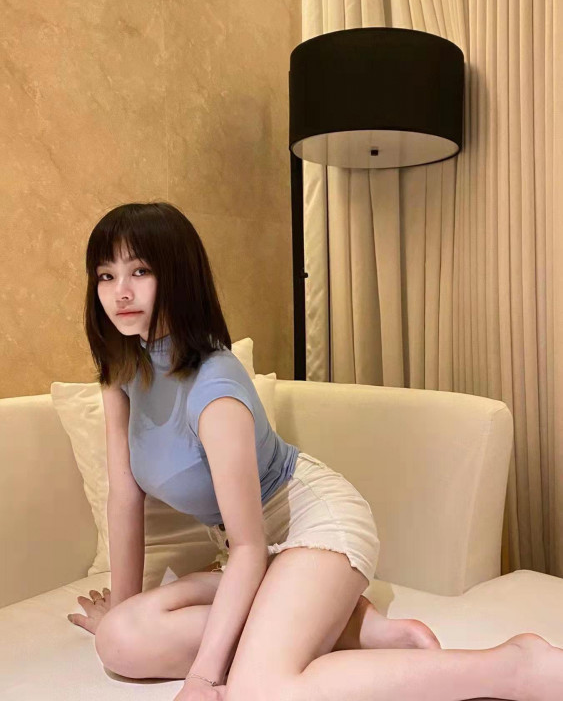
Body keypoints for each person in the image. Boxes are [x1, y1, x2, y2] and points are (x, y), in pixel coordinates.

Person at [69, 201, 560, 701]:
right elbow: (124, 497)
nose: (120, 292)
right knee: (119, 640)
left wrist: (204, 678)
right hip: (252, 552)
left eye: (140, 271)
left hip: (311, 524)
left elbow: (249, 547)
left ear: (179, 275)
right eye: (106, 275)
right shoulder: (122, 371)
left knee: (260, 689)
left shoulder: (214, 388)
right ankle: (346, 628)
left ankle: (515, 666)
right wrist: (121, 607)